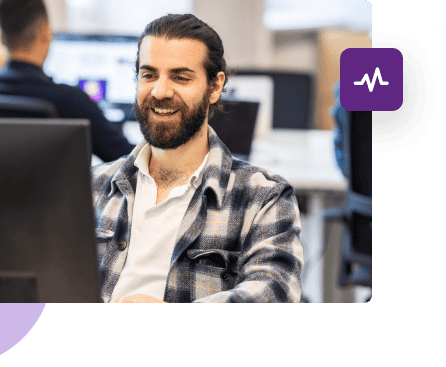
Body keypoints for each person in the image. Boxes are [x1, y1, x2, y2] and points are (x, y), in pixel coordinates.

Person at [92, 14, 304, 303]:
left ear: (215, 87)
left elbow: (273, 294)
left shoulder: (263, 196)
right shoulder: (90, 186)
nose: (160, 91)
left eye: (180, 77)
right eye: (149, 75)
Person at [0, 0, 134, 162]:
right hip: (60, 193)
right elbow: (130, 160)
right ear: (45, 32)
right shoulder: (70, 101)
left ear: (1, 38)